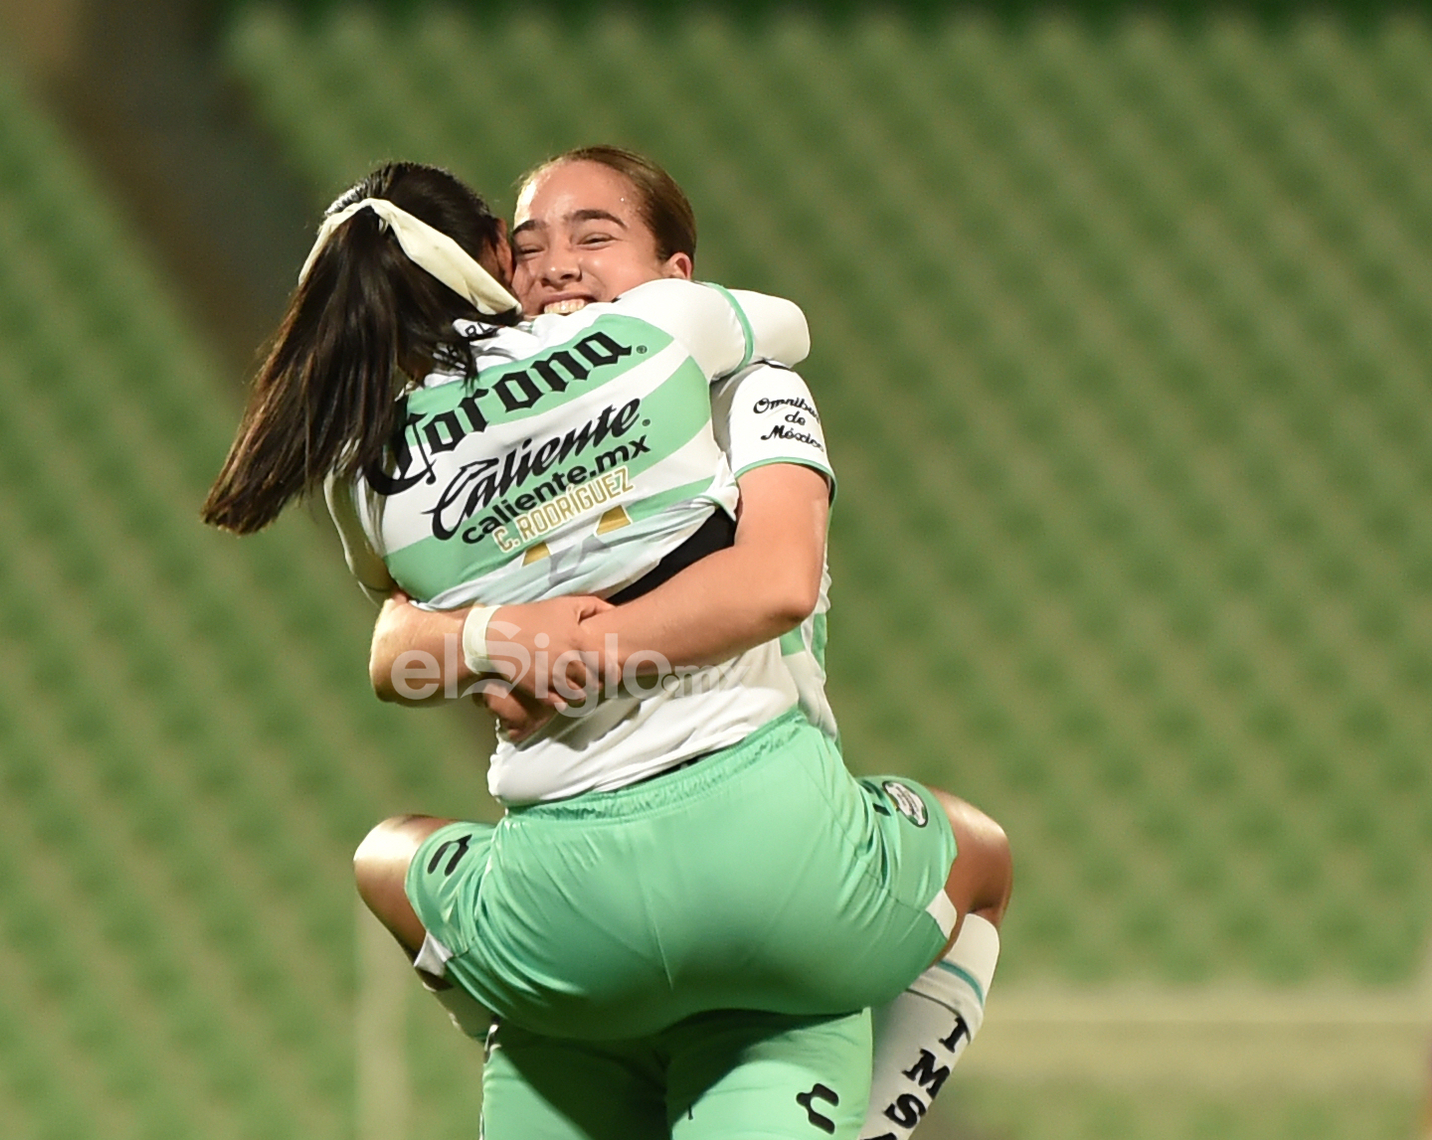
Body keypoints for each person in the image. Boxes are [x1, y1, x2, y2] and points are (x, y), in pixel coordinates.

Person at [203, 155, 1010, 1139]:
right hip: (771, 865)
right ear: (495, 266)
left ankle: (542, 1013)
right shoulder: (688, 346)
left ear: (674, 267)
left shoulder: (385, 457)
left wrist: (540, 650)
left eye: (594, 237)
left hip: (565, 919)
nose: (559, 266)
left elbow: (401, 654)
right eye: (532, 246)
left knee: (393, 860)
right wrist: (502, 637)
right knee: (976, 856)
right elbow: (771, 582)